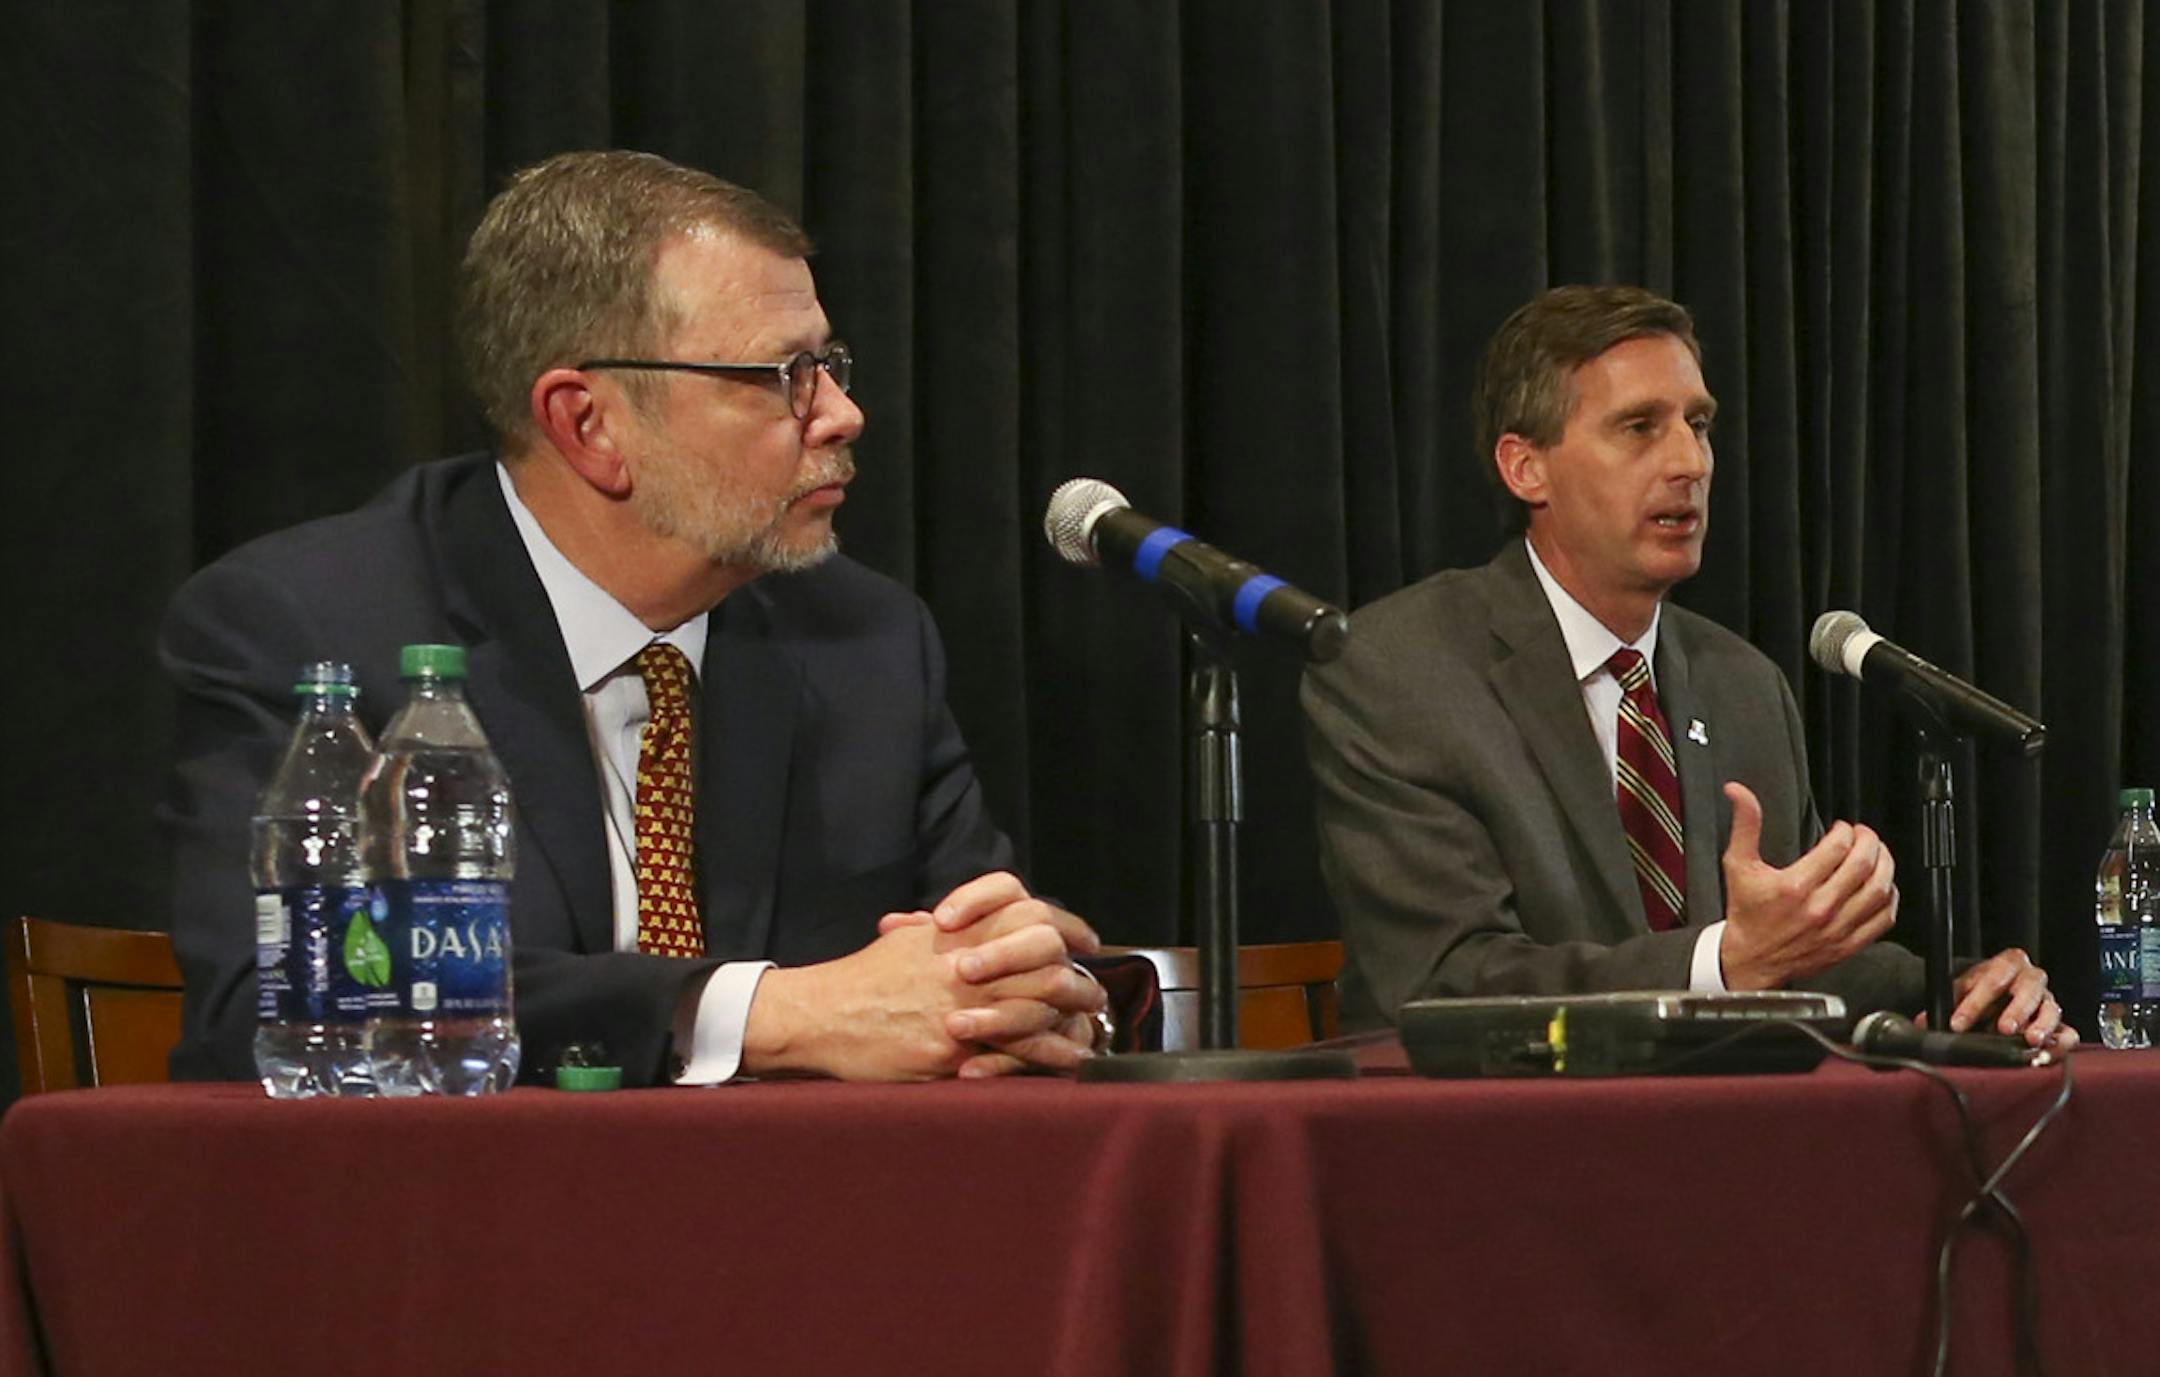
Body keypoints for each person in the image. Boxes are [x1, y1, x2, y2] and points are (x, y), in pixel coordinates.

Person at [162, 150, 1110, 1087]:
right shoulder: (308, 626)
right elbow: (277, 995)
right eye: (786, 375)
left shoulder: (867, 642)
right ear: (588, 424)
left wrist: (1023, 985)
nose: (843, 414)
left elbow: (965, 967)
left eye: (831, 365)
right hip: (460, 1217)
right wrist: (762, 1014)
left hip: (802, 1217)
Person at [1301, 284, 2072, 1047]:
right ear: (1525, 468)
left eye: (1698, 425)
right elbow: (1446, 982)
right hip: (1482, 1142)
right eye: (1639, 427)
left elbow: (1804, 966)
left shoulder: (1742, 685)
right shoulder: (1397, 670)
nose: (1689, 461)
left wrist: (1966, 990)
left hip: (1723, 1135)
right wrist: (1724, 962)